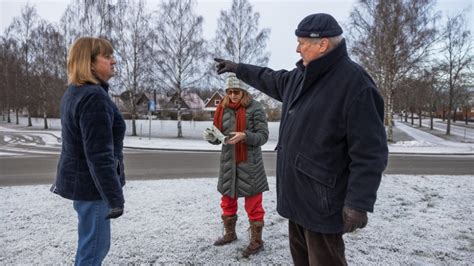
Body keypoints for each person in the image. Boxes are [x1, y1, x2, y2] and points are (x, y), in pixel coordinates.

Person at [214, 13, 388, 265]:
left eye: (302, 42)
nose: (297, 48)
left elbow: (370, 153)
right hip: (298, 197)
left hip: (323, 201)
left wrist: (358, 202)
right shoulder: (301, 76)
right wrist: (238, 69)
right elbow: (270, 78)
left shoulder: (355, 85)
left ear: (322, 44)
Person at [51, 37, 126, 265]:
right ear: (90, 63)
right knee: (93, 250)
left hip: (85, 185)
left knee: (89, 246)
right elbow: (99, 155)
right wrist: (114, 197)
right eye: (107, 56)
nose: (113, 60)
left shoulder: (76, 91)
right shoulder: (93, 97)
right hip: (94, 189)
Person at [203, 74, 269, 258]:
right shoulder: (222, 108)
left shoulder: (255, 107)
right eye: (229, 92)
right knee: (227, 202)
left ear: (243, 91)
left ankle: (257, 241)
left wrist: (245, 136)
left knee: (254, 204)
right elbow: (219, 137)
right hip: (228, 163)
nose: (232, 95)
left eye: (236, 92)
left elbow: (263, 136)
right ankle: (230, 234)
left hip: (250, 165)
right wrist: (212, 138)